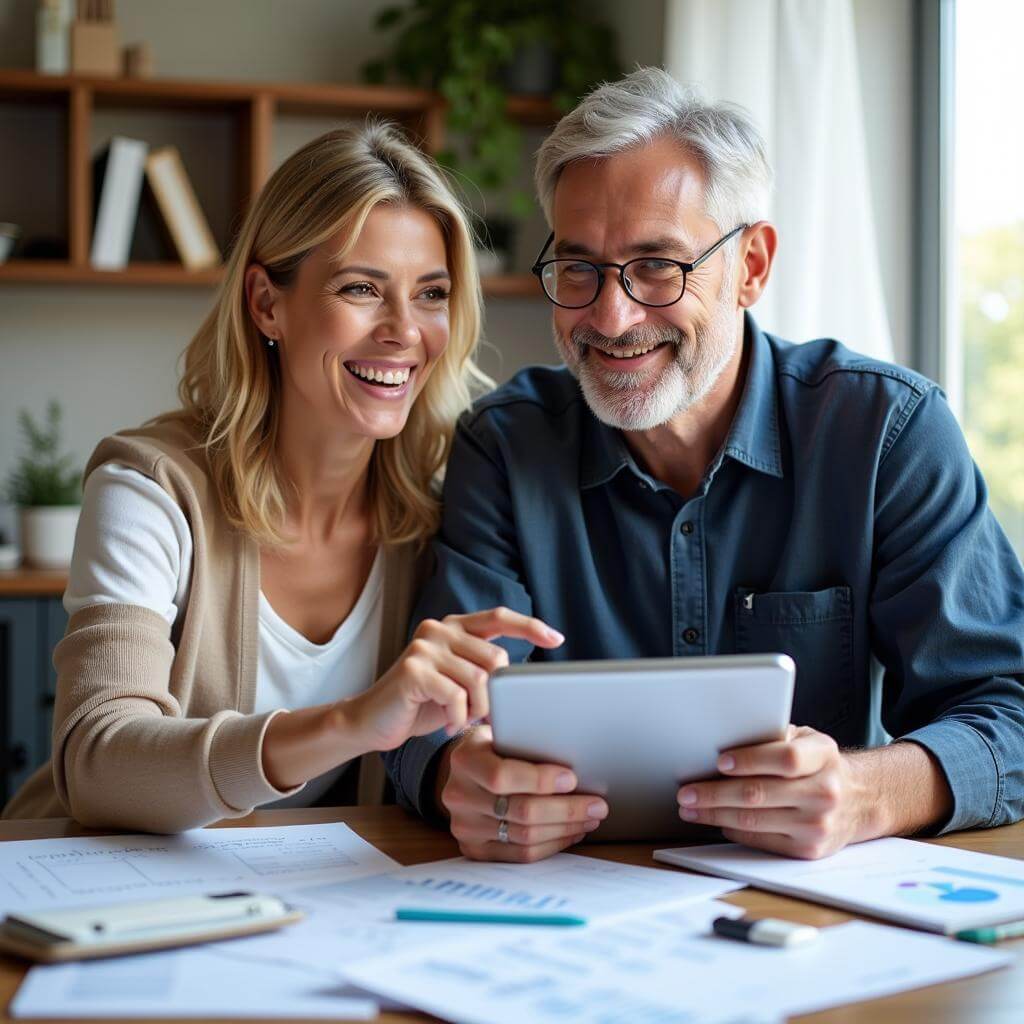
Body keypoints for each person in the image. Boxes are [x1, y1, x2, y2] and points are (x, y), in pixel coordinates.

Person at [385, 67, 1024, 863]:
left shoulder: (887, 433)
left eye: (658, 265)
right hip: (572, 909)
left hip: (812, 921)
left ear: (751, 265)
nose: (611, 318)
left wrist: (866, 794)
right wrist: (457, 774)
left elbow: (1008, 708)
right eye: (578, 267)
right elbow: (431, 715)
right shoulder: (506, 447)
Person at [3, 122, 562, 832]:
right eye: (362, 288)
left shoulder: (434, 514)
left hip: (301, 911)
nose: (403, 331)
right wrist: (353, 722)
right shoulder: (150, 491)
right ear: (267, 303)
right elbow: (97, 762)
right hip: (93, 893)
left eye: (431, 294)